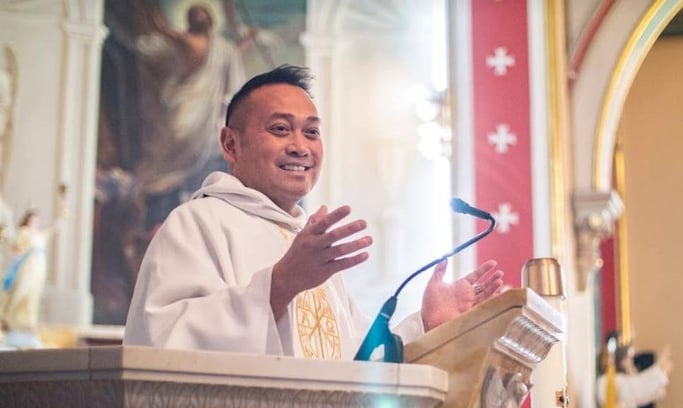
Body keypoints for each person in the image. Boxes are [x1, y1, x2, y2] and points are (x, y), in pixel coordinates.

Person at [123, 64, 504, 358]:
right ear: (230, 144)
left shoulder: (308, 243)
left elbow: (356, 365)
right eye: (279, 129)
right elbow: (160, 345)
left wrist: (425, 325)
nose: (300, 147)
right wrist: (280, 285)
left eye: (311, 132)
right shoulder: (197, 224)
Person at [133, 1, 253, 230]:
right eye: (195, 15)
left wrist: (246, 41)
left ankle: (182, 191)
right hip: (186, 103)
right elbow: (161, 30)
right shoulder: (188, 41)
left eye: (202, 14)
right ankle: (164, 191)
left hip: (204, 111)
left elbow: (232, 54)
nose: (199, 18)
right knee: (178, 141)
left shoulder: (222, 48)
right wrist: (150, 10)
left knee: (199, 153)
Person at [0, 202, 67, 349]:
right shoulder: (24, 232)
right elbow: (15, 247)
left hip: (38, 269)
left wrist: (63, 212)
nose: (35, 222)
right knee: (21, 293)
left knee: (33, 297)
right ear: (28, 219)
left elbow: (54, 228)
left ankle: (28, 324)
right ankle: (13, 323)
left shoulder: (39, 235)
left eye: (36, 220)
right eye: (33, 219)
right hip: (27, 268)